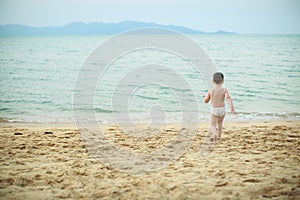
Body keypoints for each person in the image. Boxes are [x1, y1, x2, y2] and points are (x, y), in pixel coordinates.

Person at [203, 72, 236, 142]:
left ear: (212, 81)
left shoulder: (211, 91)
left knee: (213, 124)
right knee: (220, 123)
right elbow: (228, 98)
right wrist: (232, 108)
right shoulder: (224, 90)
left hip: (214, 110)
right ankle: (219, 136)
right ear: (223, 81)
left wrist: (205, 96)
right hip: (222, 109)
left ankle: (214, 134)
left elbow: (206, 101)